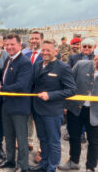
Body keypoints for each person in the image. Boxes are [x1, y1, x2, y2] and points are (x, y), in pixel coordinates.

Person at [29, 39, 76, 172]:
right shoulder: (37, 65)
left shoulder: (63, 67)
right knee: (42, 139)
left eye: (48, 50)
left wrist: (50, 95)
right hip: (38, 109)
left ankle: (51, 168)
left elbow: (72, 90)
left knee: (54, 142)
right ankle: (44, 164)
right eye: (43, 50)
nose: (44, 53)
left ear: (56, 51)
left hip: (52, 111)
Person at [0, 33, 32, 172]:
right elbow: (5, 77)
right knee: (8, 135)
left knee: (21, 139)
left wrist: (2, 89)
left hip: (19, 106)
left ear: (19, 45)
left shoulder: (25, 62)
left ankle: (23, 166)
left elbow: (21, 85)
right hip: (7, 104)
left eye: (12, 44)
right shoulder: (9, 60)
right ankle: (10, 160)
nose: (9, 47)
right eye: (7, 44)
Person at [58, 55, 98, 172]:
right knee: (74, 137)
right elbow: (68, 83)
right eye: (96, 58)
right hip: (75, 108)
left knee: (94, 141)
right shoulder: (81, 65)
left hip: (95, 112)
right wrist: (65, 105)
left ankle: (90, 167)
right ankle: (73, 161)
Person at [24, 31, 43, 152]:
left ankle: (41, 149)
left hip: (40, 93)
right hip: (27, 93)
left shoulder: (47, 54)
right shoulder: (25, 54)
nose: (34, 41)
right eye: (32, 39)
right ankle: (29, 142)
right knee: (28, 118)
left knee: (40, 121)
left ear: (41, 39)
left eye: (36, 38)